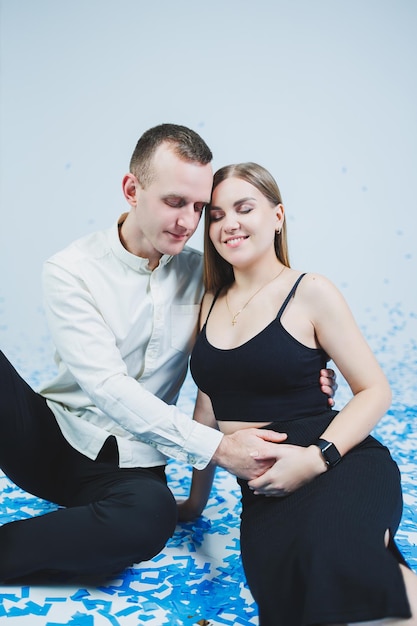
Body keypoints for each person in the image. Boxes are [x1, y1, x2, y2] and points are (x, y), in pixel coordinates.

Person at [0, 125, 336, 582]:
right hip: (51, 437)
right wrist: (218, 448)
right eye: (174, 202)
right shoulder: (70, 270)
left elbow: (238, 356)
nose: (188, 222)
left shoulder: (206, 275)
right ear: (131, 190)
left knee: (149, 519)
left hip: (134, 464)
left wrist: (304, 373)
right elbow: (106, 386)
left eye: (199, 207)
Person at [178, 162, 417, 625]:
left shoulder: (310, 291)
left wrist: (316, 458)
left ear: (277, 216)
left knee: (341, 554)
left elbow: (374, 390)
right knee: (287, 595)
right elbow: (208, 406)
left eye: (244, 208)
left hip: (340, 463)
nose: (229, 224)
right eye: (217, 215)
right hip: (266, 491)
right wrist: (193, 502)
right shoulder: (207, 301)